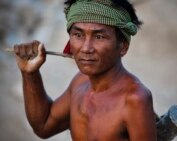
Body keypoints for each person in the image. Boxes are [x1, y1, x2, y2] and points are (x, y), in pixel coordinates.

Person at [13, 0, 157, 140]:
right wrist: (30, 74)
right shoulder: (80, 82)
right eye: (78, 35)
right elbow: (44, 126)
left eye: (99, 36)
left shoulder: (135, 99)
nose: (86, 48)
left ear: (123, 46)